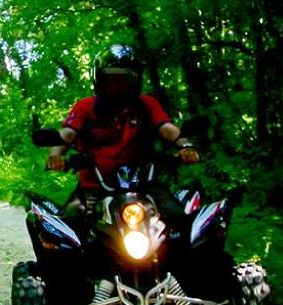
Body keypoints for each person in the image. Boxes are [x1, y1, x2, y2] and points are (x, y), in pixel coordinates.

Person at [45, 44, 198, 226]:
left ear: (134, 80)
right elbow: (68, 134)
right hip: (96, 187)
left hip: (144, 184)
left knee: (180, 220)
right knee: (69, 225)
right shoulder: (85, 107)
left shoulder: (146, 104)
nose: (117, 86)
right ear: (100, 81)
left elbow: (167, 129)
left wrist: (185, 146)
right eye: (111, 80)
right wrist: (56, 155)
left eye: (123, 79)